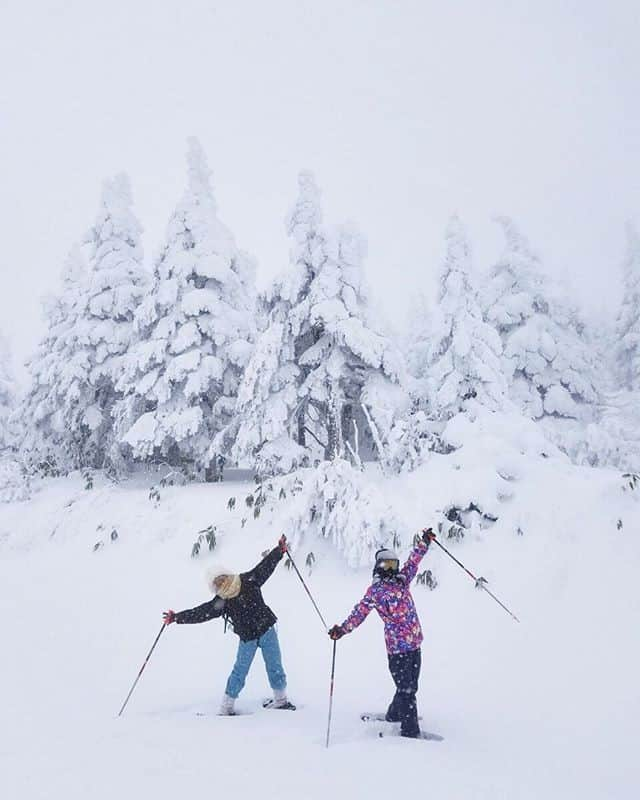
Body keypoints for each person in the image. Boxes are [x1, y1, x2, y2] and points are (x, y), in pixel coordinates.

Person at [163, 535, 295, 715]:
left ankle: (281, 700)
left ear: (227, 574)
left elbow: (265, 567)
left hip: (267, 630)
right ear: (214, 587)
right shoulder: (222, 601)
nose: (222, 583)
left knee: (275, 666)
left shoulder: (248, 580)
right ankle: (226, 707)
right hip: (247, 638)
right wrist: (177, 617)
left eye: (222, 578)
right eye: (217, 583)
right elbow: (201, 612)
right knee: (239, 672)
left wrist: (279, 551)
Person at [328, 528, 436, 738]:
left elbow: (413, 563)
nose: (391, 569)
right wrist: (342, 630)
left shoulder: (402, 581)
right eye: (386, 565)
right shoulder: (375, 592)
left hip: (414, 644)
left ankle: (395, 714)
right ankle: (410, 731)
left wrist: (424, 542)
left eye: (393, 565)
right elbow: (359, 613)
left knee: (410, 686)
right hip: (397, 649)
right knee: (407, 690)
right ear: (379, 567)